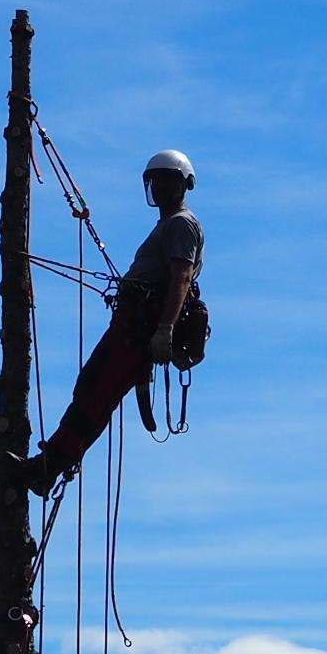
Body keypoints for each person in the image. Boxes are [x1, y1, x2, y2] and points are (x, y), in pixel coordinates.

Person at [16, 149, 203, 496]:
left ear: (183, 184)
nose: (159, 188)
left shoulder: (180, 224)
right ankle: (51, 464)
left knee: (96, 393)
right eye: (155, 181)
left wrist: (164, 330)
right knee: (90, 389)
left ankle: (49, 467)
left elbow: (180, 278)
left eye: (166, 180)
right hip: (133, 325)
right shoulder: (166, 225)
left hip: (141, 330)